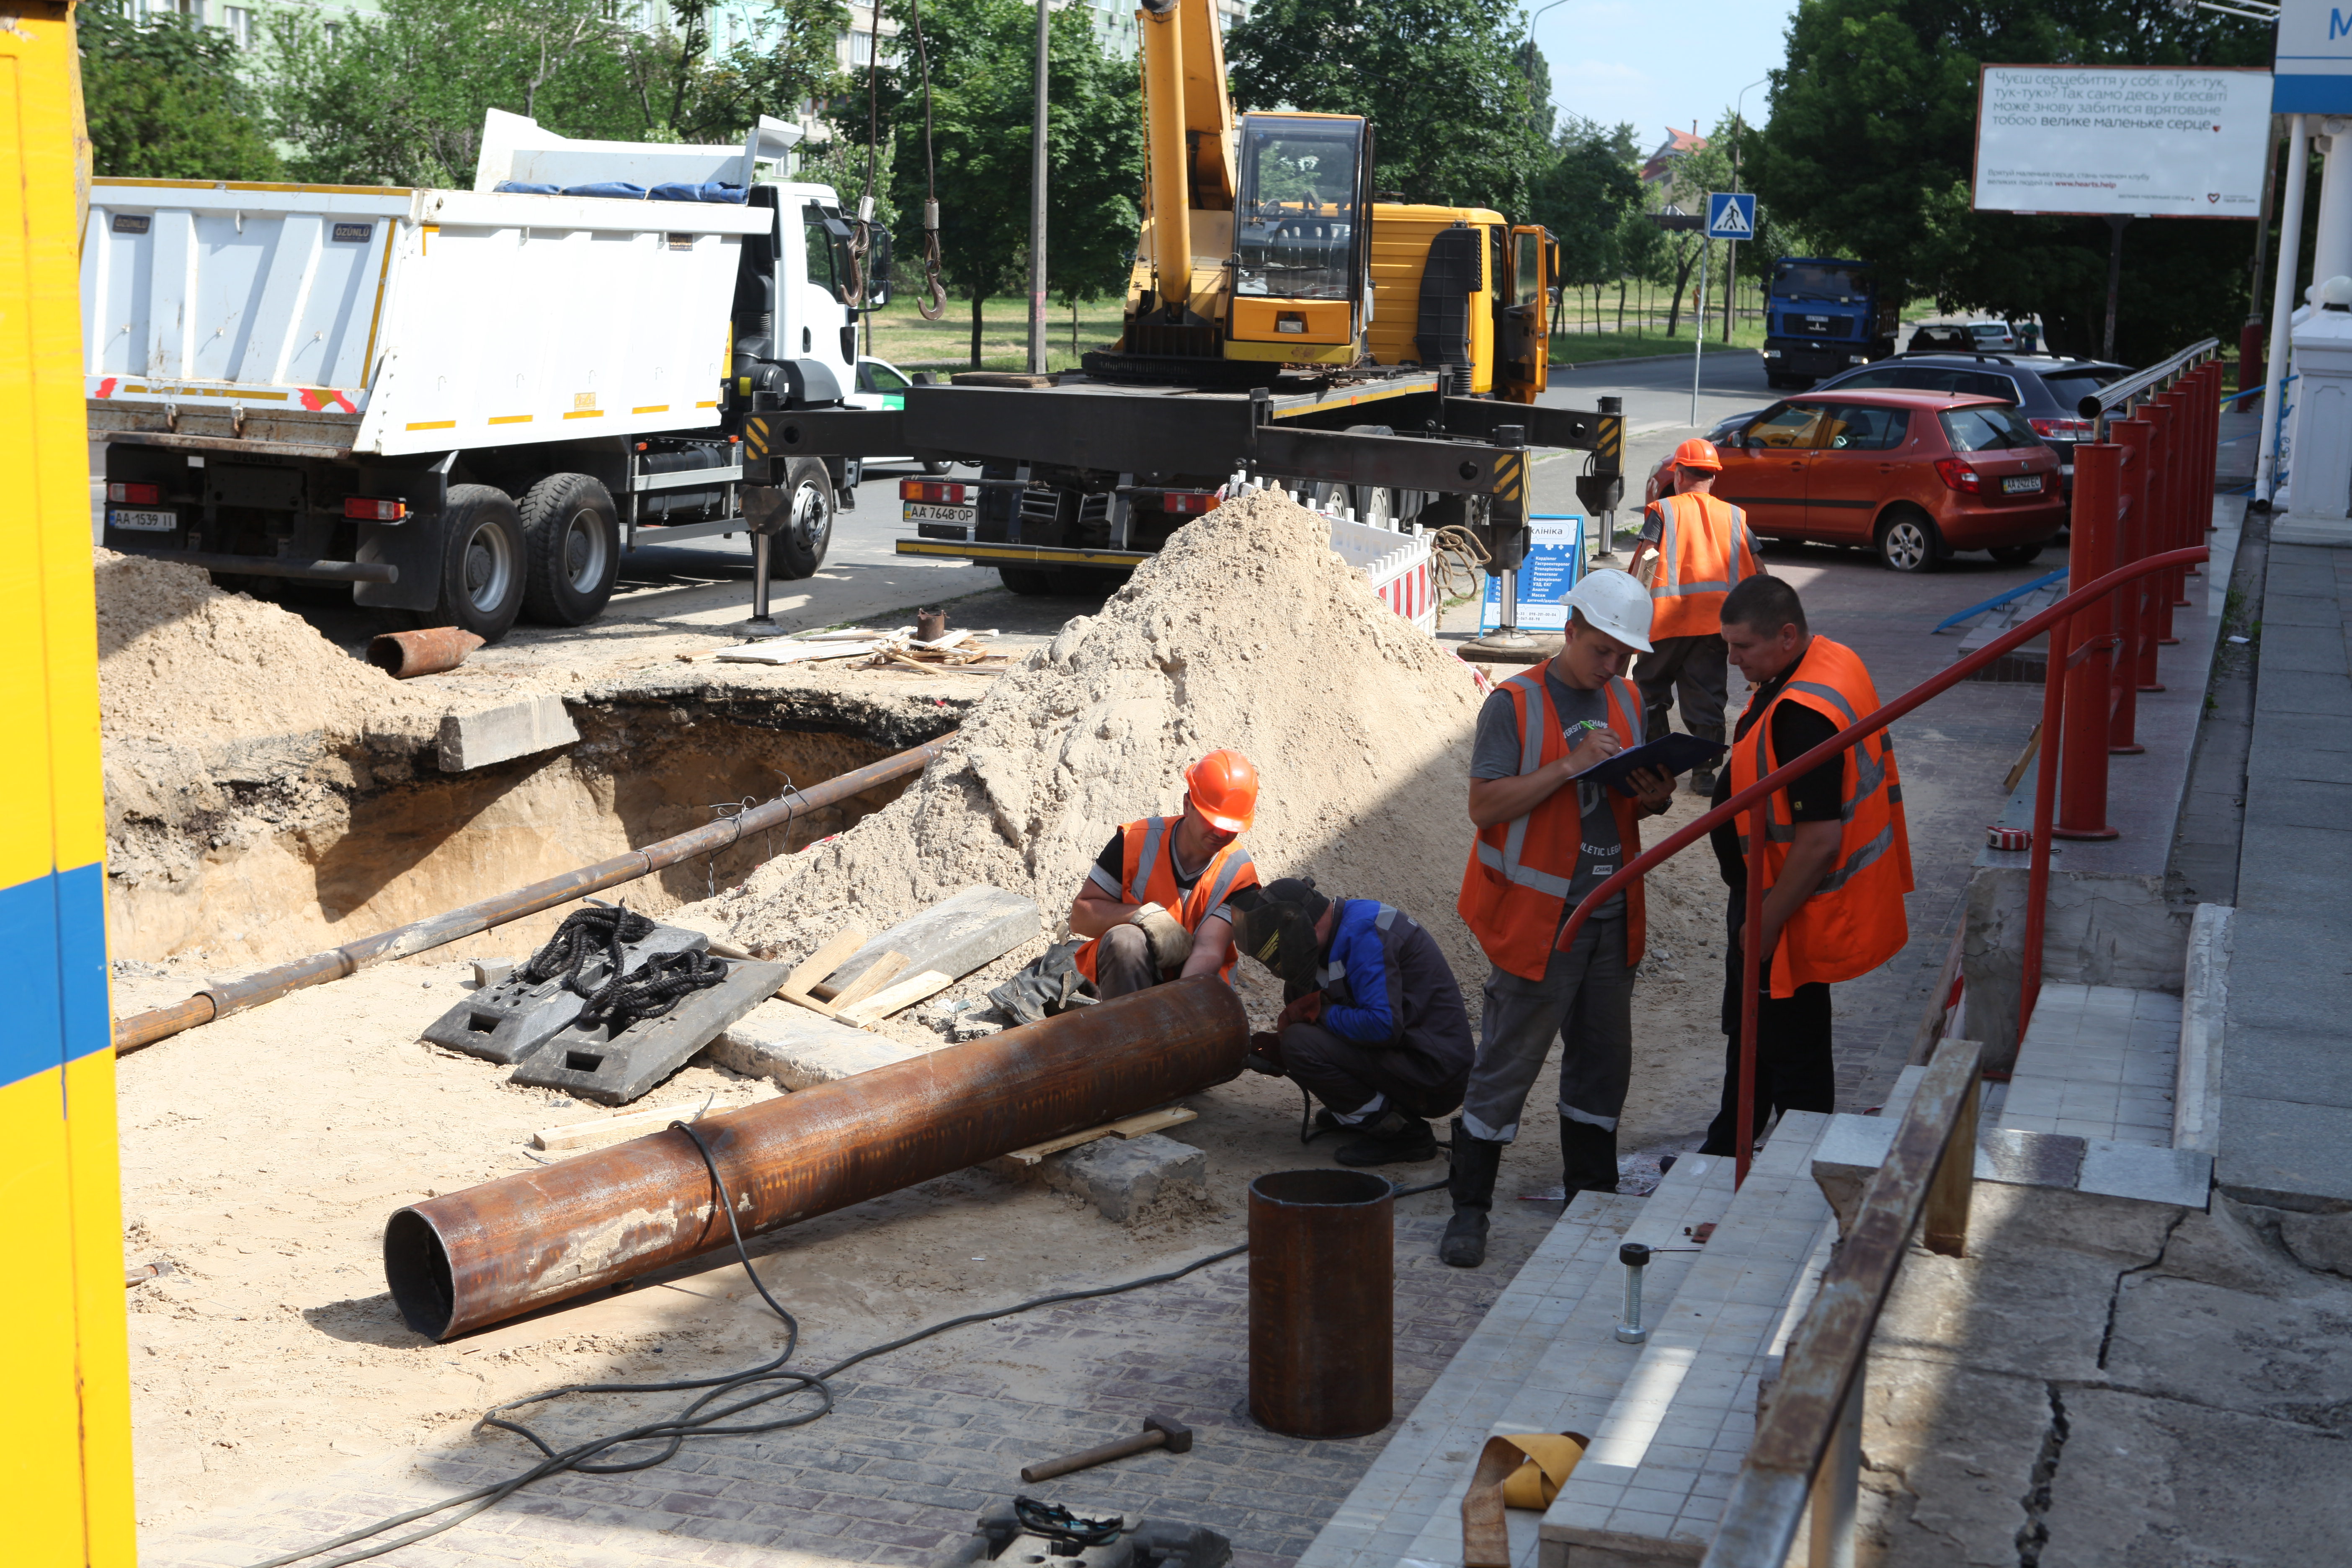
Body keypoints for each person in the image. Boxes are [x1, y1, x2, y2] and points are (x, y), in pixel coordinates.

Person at [1444, 570, 1679, 1269]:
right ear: (1571, 628)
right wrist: (1571, 765)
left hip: (1611, 914)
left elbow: (1635, 806)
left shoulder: (1630, 699)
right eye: (1603, 651)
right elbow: (1485, 807)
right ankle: (1470, 1204)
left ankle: (1593, 1193)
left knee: (1603, 1063)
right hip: (1539, 919)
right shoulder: (1514, 704)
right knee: (1507, 1062)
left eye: (1625, 656)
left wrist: (1654, 794)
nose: (1614, 667)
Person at [1699, 575, 1913, 1155]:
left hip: (1787, 904)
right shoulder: (1825, 662)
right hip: (1775, 895)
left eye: (1742, 647)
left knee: (1793, 1050)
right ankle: (1727, 1145)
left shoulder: (1803, 715)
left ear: (1787, 635)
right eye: (1728, 645)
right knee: (1758, 1031)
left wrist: (1764, 923)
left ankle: (1796, 1169)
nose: (1732, 659)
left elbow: (1818, 840)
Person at [1230, 878, 1475, 1168]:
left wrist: (1317, 1015)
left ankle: (1402, 1132)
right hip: (1413, 1059)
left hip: (1435, 1077)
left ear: (1300, 926)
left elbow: (1383, 1025)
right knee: (1297, 1013)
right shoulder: (1333, 937)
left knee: (1301, 1043)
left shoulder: (1363, 934)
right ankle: (1367, 1106)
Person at [1067, 749, 1263, 1000]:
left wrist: (1174, 1010)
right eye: (1212, 820)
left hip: (1194, 985)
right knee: (1126, 939)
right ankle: (1126, 1031)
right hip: (1128, 977)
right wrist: (1140, 915)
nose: (1221, 834)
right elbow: (1081, 918)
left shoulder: (1239, 872)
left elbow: (1208, 951)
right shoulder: (1135, 842)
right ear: (1188, 805)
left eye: (1231, 827)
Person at [1627, 437, 1761, 794]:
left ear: (1680, 475)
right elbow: (1758, 567)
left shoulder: (1664, 510)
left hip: (1666, 623)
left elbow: (1646, 560)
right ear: (1713, 479)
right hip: (1715, 627)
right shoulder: (1734, 516)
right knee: (1707, 695)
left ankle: (1656, 766)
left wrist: (1630, 609)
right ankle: (1705, 774)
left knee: (1651, 691)